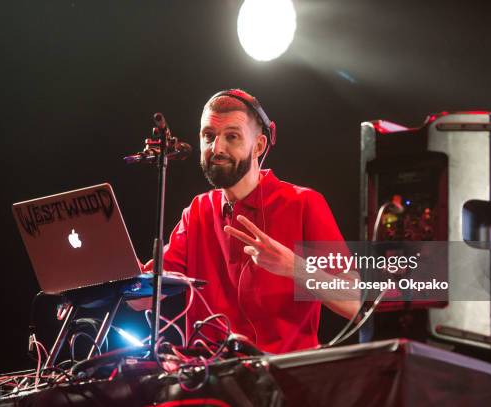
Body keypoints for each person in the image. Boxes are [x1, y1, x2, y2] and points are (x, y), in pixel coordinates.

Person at [136, 89, 359, 354]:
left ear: (260, 146)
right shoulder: (197, 212)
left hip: (283, 380)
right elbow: (141, 298)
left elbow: (356, 302)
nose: (216, 148)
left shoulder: (304, 203)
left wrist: (296, 268)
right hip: (207, 378)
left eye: (232, 136)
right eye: (209, 136)